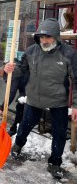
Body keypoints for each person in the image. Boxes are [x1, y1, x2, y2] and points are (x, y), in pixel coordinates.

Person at [4, 18, 77, 179]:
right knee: (25, 124)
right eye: (41, 37)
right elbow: (22, 71)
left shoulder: (68, 54)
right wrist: (9, 69)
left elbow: (76, 80)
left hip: (58, 100)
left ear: (56, 37)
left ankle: (55, 162)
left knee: (59, 132)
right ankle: (17, 145)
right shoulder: (31, 51)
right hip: (35, 98)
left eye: (48, 37)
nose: (44, 41)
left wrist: (76, 105)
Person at [0, 60, 27, 136]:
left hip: (30, 87)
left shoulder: (13, 73)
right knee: (20, 108)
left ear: (4, 69)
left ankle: (16, 129)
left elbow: (11, 93)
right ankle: (16, 128)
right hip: (23, 87)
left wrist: (2, 108)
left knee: (20, 107)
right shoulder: (7, 69)